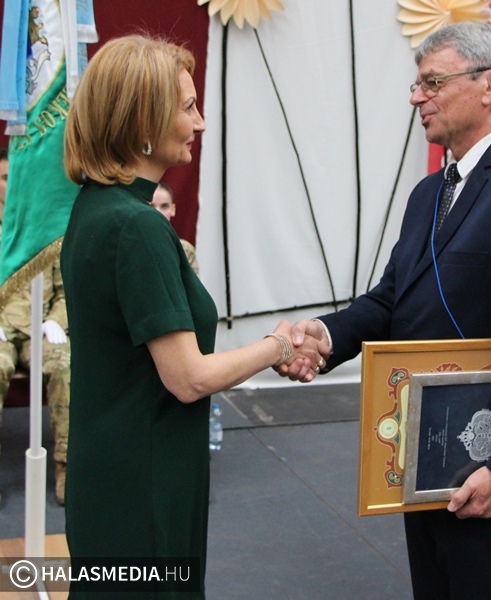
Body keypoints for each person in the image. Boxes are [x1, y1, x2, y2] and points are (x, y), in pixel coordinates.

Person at [279, 22, 491, 600]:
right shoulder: (430, 192)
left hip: (487, 461)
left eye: (432, 83)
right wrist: (326, 335)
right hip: (423, 452)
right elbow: (392, 298)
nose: (415, 98)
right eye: (416, 84)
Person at [61, 34, 319, 599]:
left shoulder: (94, 207)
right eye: (187, 107)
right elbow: (189, 378)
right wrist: (278, 345)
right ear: (143, 121)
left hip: (110, 468)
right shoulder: (138, 226)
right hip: (145, 479)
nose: (199, 122)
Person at [0, 147, 70, 507]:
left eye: (17, 176)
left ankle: (67, 466)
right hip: (1, 329)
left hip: (40, 328)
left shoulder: (45, 231)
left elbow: (66, 290)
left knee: (65, 365)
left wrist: (57, 320)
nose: (12, 184)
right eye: (5, 178)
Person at [151, 180, 200, 274]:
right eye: (151, 206)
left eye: (164, 206)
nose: (158, 212)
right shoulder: (134, 245)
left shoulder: (185, 250)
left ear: (173, 209)